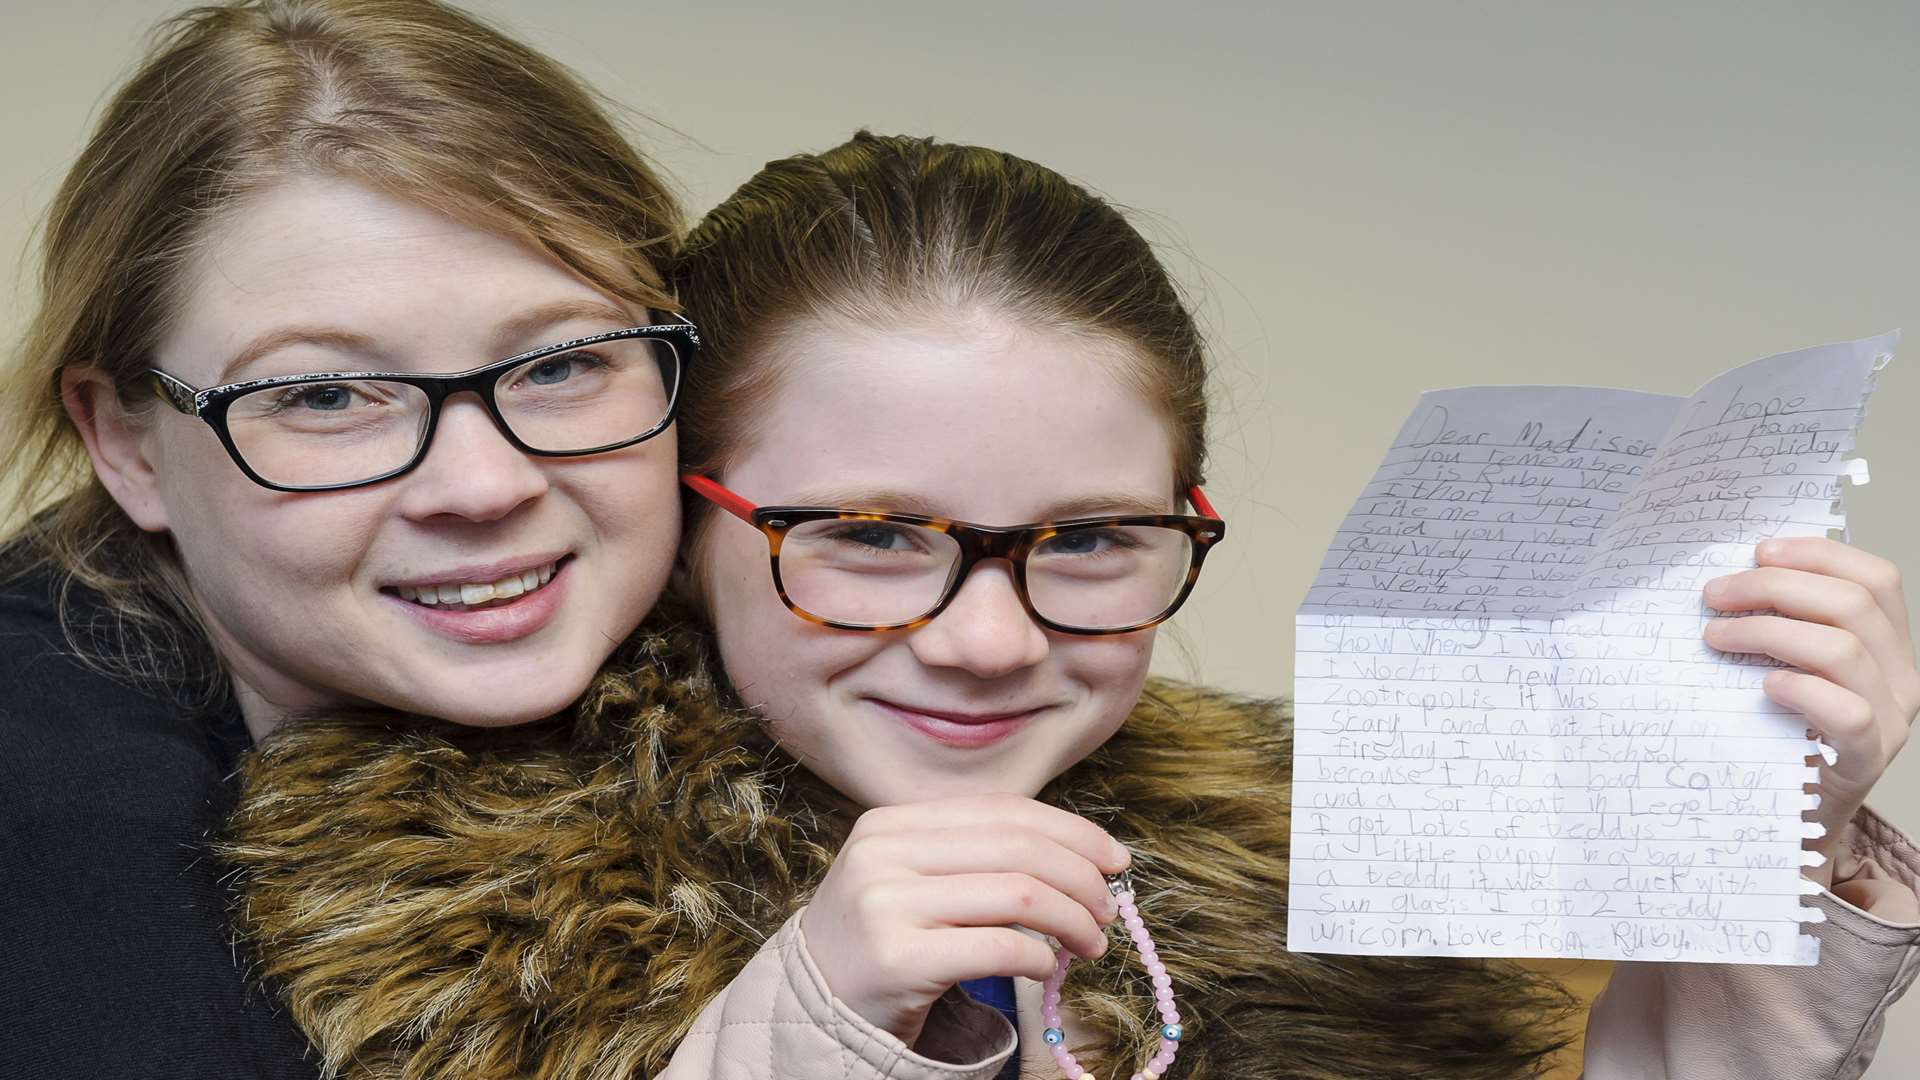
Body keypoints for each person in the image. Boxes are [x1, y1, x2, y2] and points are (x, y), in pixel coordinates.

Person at [226, 133, 1920, 1080]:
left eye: (1096, 540)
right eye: (875, 537)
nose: (988, 639)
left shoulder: (1301, 883)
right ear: (687, 522)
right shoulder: (450, 909)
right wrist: (819, 1023)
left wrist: (1773, 848)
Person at [0, 1, 691, 1074]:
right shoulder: (46, 802)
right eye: (324, 395)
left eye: (561, 364)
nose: (481, 484)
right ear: (127, 444)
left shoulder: (834, 609)